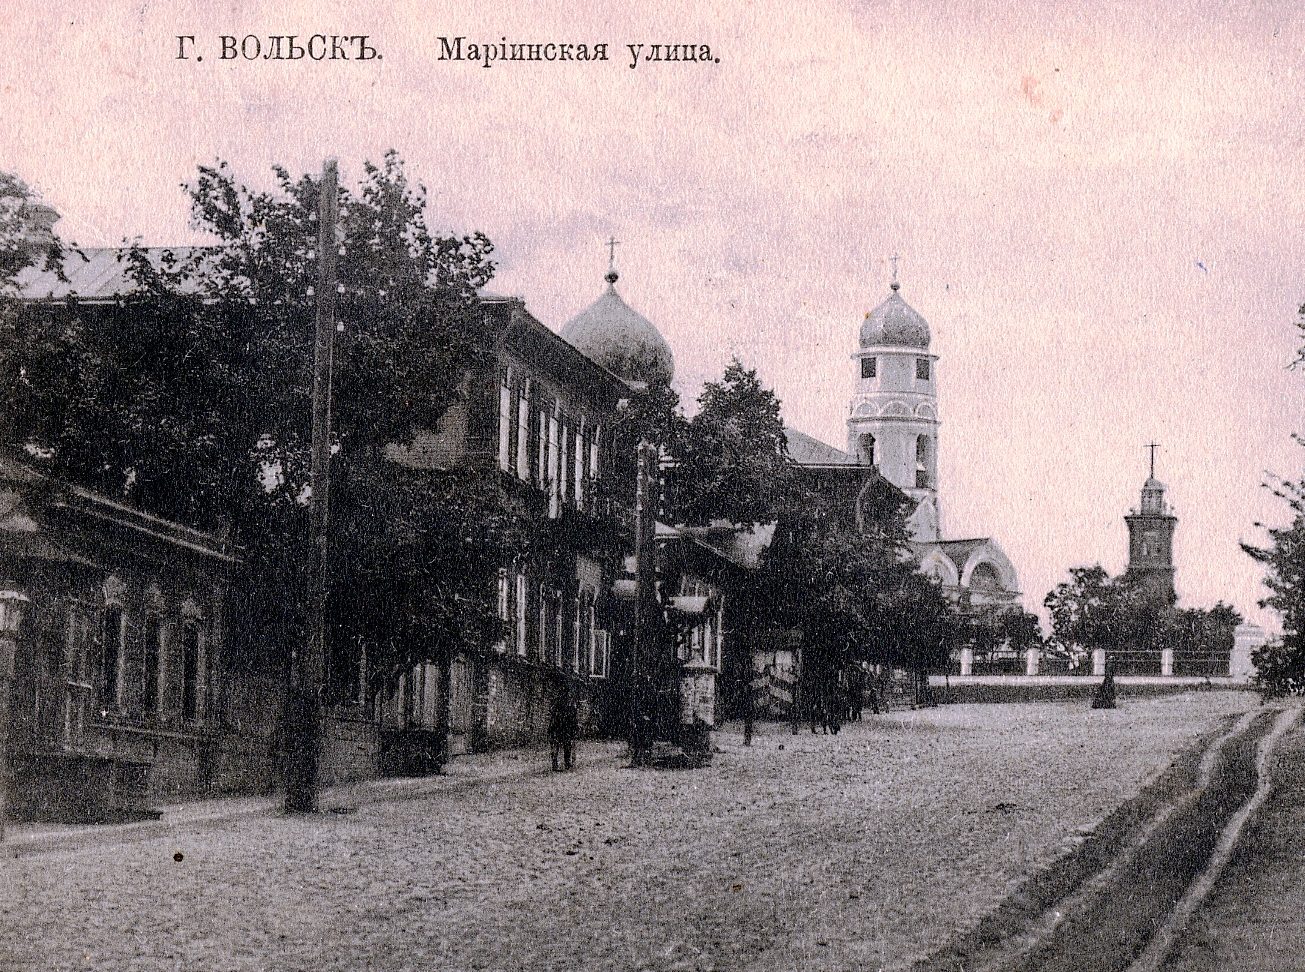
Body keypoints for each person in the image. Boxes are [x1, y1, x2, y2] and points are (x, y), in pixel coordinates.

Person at [549, 682, 579, 771]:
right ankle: (566, 762)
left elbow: (552, 712)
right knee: (566, 744)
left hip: (558, 725)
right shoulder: (569, 703)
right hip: (565, 726)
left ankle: (556, 763)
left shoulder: (557, 702)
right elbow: (573, 715)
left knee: (557, 745)